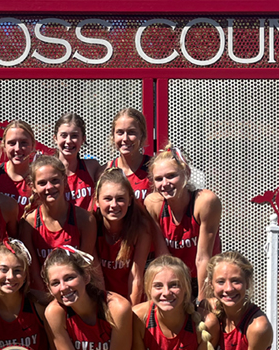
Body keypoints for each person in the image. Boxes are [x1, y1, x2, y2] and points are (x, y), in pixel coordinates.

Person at [145, 144, 221, 302]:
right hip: (175, 280)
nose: (165, 183)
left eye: (171, 176)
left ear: (186, 173)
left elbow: (203, 258)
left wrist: (202, 300)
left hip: (205, 278)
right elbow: (164, 257)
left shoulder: (204, 201)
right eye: (159, 179)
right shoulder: (153, 204)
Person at [21, 155, 96, 287]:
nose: (49, 187)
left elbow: (84, 269)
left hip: (76, 291)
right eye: (42, 183)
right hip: (43, 294)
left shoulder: (85, 219)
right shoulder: (29, 223)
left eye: (55, 180)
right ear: (33, 186)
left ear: (65, 180)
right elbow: (34, 273)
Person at [94, 169, 152, 304]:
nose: (114, 205)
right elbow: (97, 277)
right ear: (97, 201)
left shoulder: (140, 228)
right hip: (103, 299)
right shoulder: (92, 226)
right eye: (107, 199)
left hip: (133, 298)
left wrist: (131, 314)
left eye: (120, 199)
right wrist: (104, 310)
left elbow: (136, 277)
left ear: (130, 200)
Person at [54, 113, 101, 210]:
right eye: (64, 135)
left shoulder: (92, 166)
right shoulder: (47, 169)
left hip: (87, 224)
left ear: (83, 139)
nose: (68, 141)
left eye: (74, 135)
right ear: (55, 138)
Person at [0, 120, 36, 216]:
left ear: (33, 145)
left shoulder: (39, 177)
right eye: (12, 143)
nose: (17, 148)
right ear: (4, 146)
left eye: (24, 142)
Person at [105, 108, 151, 202]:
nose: (125, 138)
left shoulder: (154, 169)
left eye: (131, 132)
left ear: (141, 135)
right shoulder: (104, 171)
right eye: (120, 132)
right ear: (113, 136)